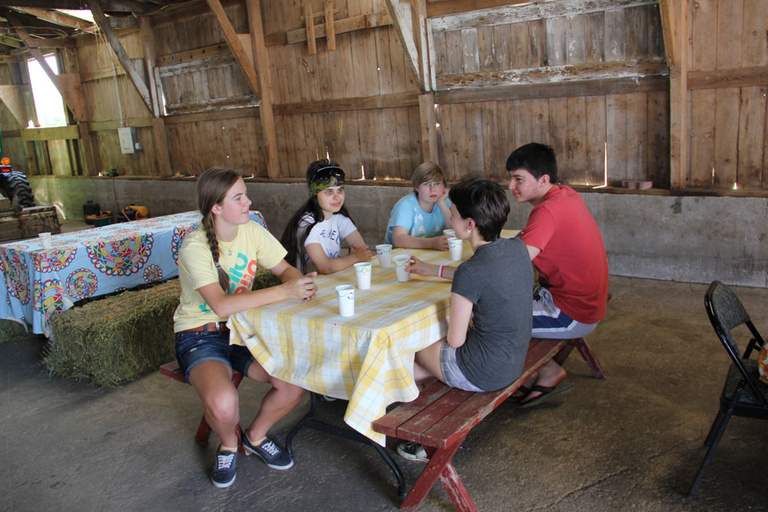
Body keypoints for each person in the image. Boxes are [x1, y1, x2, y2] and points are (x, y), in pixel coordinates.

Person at [173, 167, 318, 488]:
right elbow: (221, 306)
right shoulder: (194, 247)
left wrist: (302, 285)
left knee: (296, 381)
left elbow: (285, 270)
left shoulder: (251, 230)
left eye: (245, 195)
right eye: (238, 197)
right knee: (224, 403)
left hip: (243, 328)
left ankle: (255, 436)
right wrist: (284, 292)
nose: (248, 202)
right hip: (200, 334)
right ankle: (227, 443)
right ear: (216, 207)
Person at [397, 178, 533, 462]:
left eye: (454, 213)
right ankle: (401, 382)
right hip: (513, 362)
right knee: (417, 361)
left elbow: (456, 341)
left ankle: (414, 421)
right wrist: (432, 270)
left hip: (483, 372)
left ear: (470, 225)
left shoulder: (470, 271)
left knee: (418, 342)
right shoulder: (517, 249)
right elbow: (482, 278)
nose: (451, 218)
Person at [506, 142, 609, 405]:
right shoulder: (565, 195)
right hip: (586, 301)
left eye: (518, 179)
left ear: (543, 179)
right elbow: (526, 244)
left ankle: (544, 370)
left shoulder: (546, 211)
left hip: (571, 312)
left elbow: (510, 268)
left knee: (489, 317)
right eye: (510, 178)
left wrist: (445, 270)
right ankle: (535, 372)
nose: (511, 186)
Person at [281, 159, 371, 275]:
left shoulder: (338, 217)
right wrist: (354, 258)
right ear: (314, 194)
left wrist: (353, 258)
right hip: (310, 286)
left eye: (340, 190)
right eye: (328, 192)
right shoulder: (307, 223)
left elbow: (363, 250)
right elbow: (325, 267)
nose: (337, 197)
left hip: (333, 281)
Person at [384, 162, 453, 250]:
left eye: (437, 183)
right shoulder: (406, 206)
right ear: (416, 187)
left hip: (429, 254)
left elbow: (455, 232)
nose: (433, 189)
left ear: (444, 185)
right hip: (401, 257)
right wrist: (432, 243)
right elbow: (398, 240)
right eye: (426, 184)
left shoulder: (444, 202)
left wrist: (441, 203)